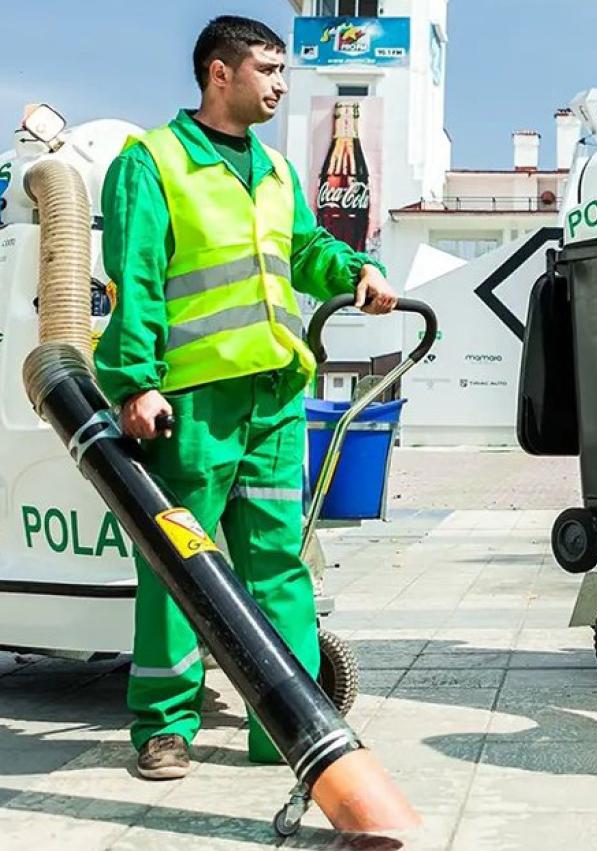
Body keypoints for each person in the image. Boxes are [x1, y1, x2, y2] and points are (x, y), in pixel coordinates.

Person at [95, 15, 399, 779]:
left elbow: (305, 249)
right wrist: (135, 383)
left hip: (274, 397)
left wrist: (354, 271)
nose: (281, 85)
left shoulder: (275, 171)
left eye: (284, 70)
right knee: (180, 562)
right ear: (219, 73)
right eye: (268, 69)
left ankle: (289, 727)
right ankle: (163, 727)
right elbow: (135, 280)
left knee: (278, 564)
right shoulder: (152, 162)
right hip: (191, 402)